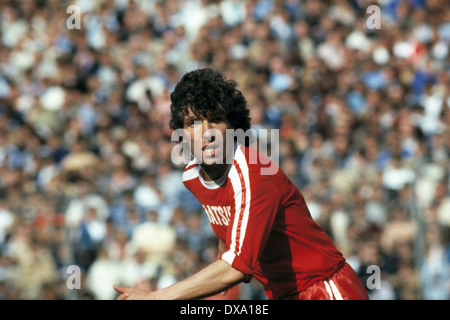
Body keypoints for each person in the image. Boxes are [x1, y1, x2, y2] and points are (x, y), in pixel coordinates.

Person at [113, 68, 369, 300]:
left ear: (234, 127)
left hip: (324, 289)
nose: (206, 132)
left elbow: (236, 268)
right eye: (193, 123)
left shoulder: (255, 174)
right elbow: (226, 232)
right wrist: (217, 273)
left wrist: (158, 297)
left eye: (215, 119)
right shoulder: (193, 177)